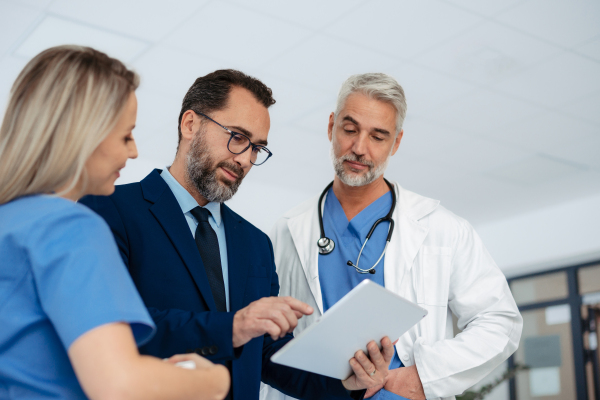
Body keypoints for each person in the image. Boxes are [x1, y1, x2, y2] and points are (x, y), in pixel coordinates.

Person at [79, 69, 395, 400]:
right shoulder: (110, 210)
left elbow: (267, 356)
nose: (245, 159)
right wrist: (233, 327)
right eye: (237, 137)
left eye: (257, 148)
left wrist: (347, 383)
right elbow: (110, 326)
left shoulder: (255, 244)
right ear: (190, 124)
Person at [263, 73, 523, 400]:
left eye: (378, 136)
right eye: (349, 129)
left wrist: (422, 376)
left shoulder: (443, 229)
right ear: (331, 127)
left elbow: (500, 322)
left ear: (396, 142)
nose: (359, 148)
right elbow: (268, 341)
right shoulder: (286, 230)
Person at [0, 46, 230, 399]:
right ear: (81, 133)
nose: (133, 151)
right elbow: (120, 385)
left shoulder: (11, 223)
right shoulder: (71, 227)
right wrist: (213, 382)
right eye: (126, 135)